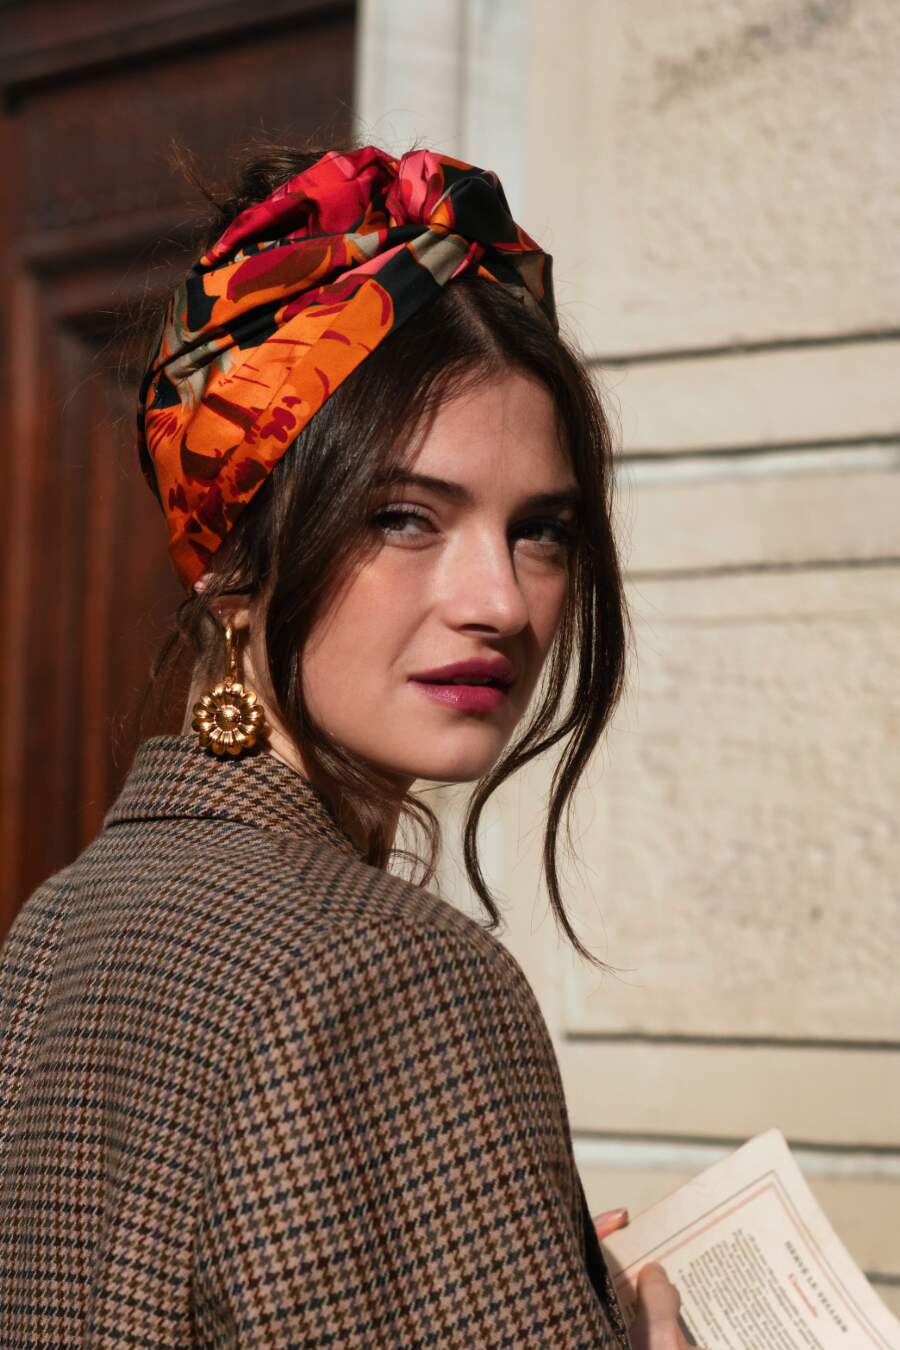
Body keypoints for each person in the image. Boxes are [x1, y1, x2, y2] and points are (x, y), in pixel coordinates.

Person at [0, 142, 699, 1347]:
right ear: (235, 559)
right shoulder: (385, 973)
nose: (500, 600)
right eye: (406, 518)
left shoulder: (62, 921)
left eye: (542, 531)